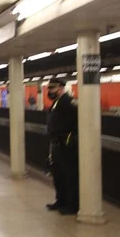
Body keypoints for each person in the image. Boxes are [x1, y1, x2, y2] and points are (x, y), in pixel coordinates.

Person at [46, 78, 79, 215]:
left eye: (51, 89)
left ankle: (72, 205)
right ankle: (61, 200)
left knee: (69, 175)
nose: (49, 92)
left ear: (60, 89)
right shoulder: (55, 103)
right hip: (56, 144)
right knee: (58, 175)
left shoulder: (70, 103)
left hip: (67, 145)